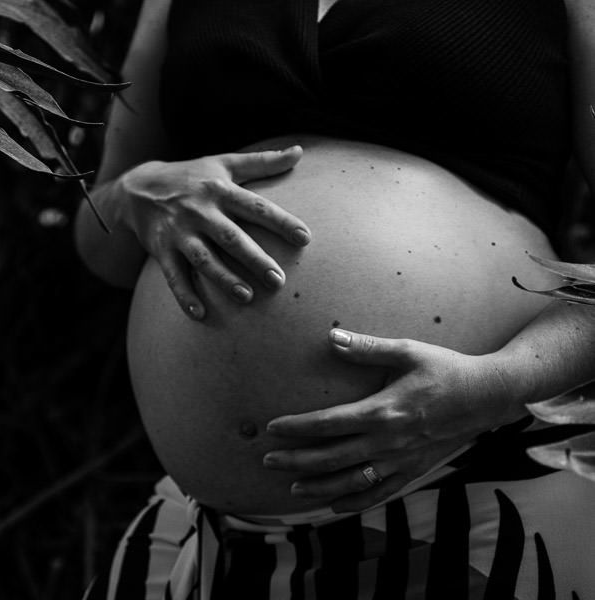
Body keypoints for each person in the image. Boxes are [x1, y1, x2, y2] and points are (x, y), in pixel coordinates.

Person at [74, 0, 595, 598]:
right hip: (214, 540)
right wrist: (135, 195)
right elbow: (99, 244)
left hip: (477, 494)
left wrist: (499, 385)